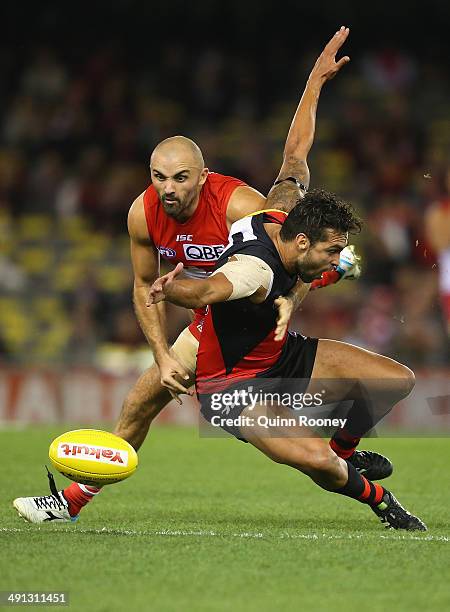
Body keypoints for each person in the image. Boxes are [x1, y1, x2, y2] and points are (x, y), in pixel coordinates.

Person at [13, 27, 379, 524]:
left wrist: (313, 82)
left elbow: (294, 179)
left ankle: (343, 449)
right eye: (159, 177)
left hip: (247, 311)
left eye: (180, 178)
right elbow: (144, 287)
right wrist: (162, 356)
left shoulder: (239, 204)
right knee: (140, 402)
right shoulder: (142, 215)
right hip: (206, 312)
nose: (168, 188)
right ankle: (69, 505)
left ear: (203, 178)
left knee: (290, 403)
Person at [146, 188, 426, 531]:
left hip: (280, 354)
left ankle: (345, 450)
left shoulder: (281, 219)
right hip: (234, 388)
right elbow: (207, 291)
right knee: (319, 462)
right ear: (304, 242)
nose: (337, 258)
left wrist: (305, 132)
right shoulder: (254, 271)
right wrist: (169, 289)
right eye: (333, 251)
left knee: (396, 380)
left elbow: (294, 164)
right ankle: (380, 499)